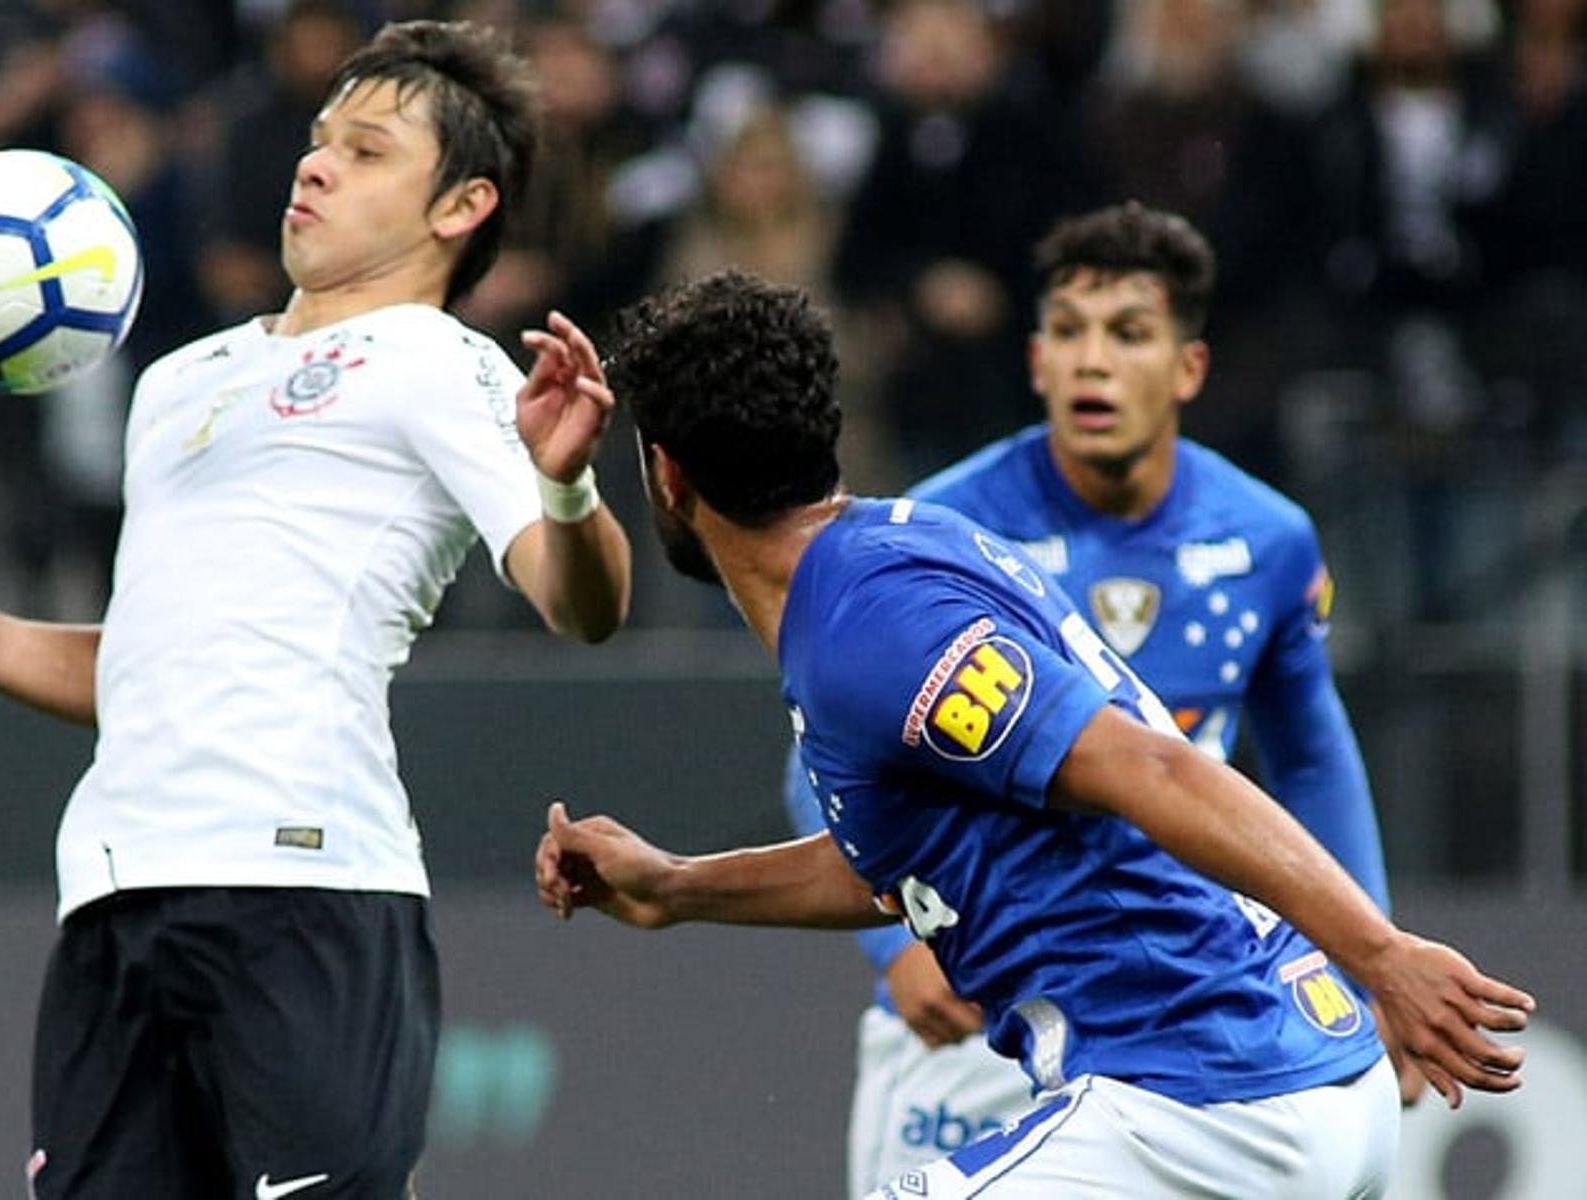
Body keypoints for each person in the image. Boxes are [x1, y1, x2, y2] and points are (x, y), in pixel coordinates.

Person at [0, 20, 632, 1199]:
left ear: (460, 207)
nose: (315, 165)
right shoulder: (174, 383)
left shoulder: (441, 363)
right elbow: (142, 668)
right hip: (113, 892)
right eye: (317, 140)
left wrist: (564, 480)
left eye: (368, 149)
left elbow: (582, 602)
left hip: (304, 883)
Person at [534, 270, 1532, 1198]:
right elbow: (908, 872)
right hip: (1283, 1078)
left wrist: (1383, 953)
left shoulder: (871, 629)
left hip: (1206, 1098)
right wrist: (677, 884)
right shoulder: (905, 546)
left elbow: (1151, 764)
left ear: (666, 478)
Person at [782, 201, 1415, 1195]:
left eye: (1127, 334)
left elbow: (1311, 758)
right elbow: (818, 764)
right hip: (987, 976)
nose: (1092, 362)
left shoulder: (1268, 538)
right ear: (1035, 361)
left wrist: (1369, 952)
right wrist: (891, 946)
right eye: (1068, 333)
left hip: (1182, 993)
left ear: (1188, 367)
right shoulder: (939, 529)